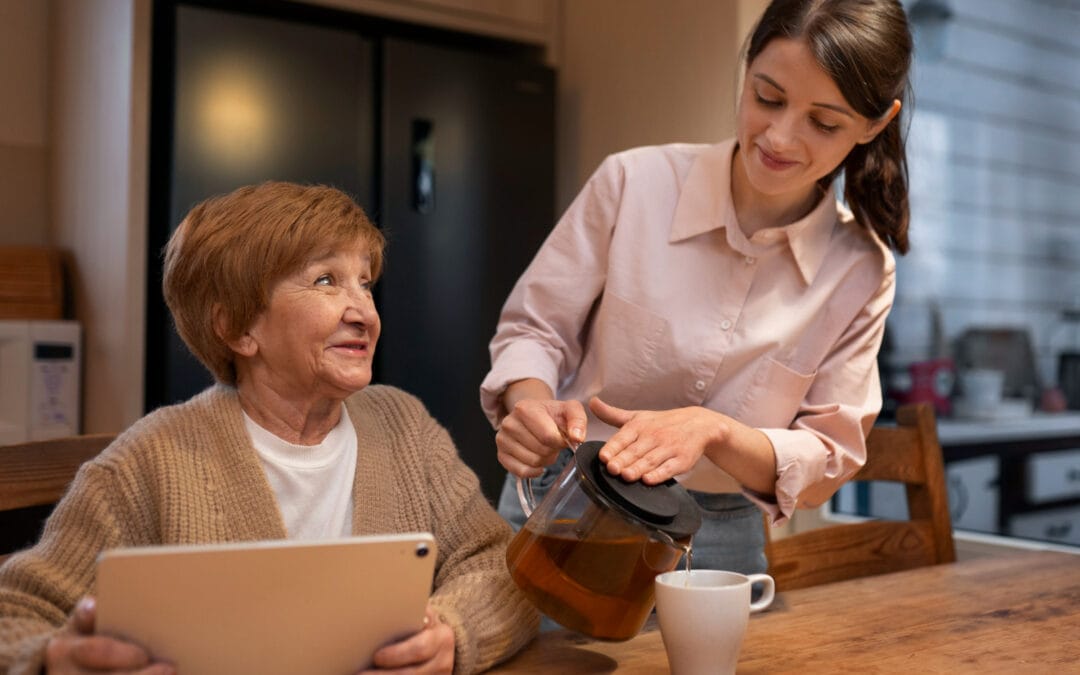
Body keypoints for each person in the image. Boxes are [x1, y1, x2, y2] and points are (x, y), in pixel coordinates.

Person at [0, 182, 538, 674]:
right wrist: (52, 659)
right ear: (237, 329)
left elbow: (502, 567)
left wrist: (451, 633)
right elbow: (17, 613)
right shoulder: (150, 460)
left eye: (365, 284)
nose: (365, 314)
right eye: (326, 281)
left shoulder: (404, 426)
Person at [481, 0, 913, 575]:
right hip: (567, 498)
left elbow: (828, 454)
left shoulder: (861, 269)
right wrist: (531, 407)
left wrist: (717, 433)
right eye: (768, 97)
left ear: (875, 124)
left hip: (718, 535)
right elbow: (535, 330)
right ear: (747, 69)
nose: (780, 137)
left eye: (824, 123)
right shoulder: (632, 183)